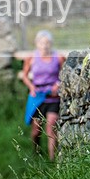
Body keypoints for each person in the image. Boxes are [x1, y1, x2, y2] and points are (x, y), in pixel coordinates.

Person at [21, 30, 66, 160]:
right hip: (37, 96)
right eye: (42, 43)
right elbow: (24, 75)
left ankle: (53, 160)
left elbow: (65, 74)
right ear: (37, 44)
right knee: (36, 130)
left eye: (47, 43)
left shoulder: (58, 57)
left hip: (53, 97)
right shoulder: (31, 58)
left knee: (51, 127)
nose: (44, 45)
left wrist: (58, 84)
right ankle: (36, 152)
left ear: (51, 43)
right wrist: (31, 87)